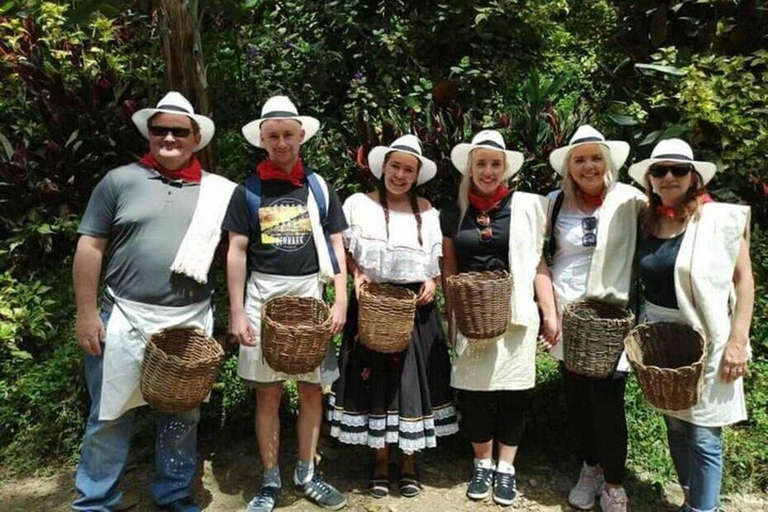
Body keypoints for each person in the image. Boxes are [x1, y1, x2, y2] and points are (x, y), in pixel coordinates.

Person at [72, 91, 236, 511]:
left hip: (189, 320)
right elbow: (90, 247)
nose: (168, 137)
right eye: (159, 129)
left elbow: (243, 251)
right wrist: (87, 313)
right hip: (122, 316)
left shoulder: (220, 192)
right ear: (148, 134)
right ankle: (95, 501)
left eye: (178, 131)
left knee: (182, 416)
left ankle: (174, 496)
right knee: (109, 416)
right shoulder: (119, 180)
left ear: (195, 137)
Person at [224, 95, 348, 512]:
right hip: (262, 299)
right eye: (273, 135)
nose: (281, 143)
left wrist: (341, 299)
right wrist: (238, 310)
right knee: (269, 394)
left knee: (313, 391)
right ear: (262, 138)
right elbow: (237, 250)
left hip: (311, 296)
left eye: (288, 134)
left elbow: (335, 245)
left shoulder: (318, 187)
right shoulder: (248, 191)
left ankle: (308, 474)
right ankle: (270, 480)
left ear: (301, 136)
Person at [328, 135, 459, 499]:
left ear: (416, 175)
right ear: (383, 167)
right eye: (395, 166)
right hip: (372, 309)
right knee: (376, 388)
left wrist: (432, 281)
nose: (400, 175)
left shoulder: (427, 210)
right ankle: (379, 463)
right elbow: (343, 249)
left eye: (408, 169)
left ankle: (409, 463)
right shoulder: (358, 205)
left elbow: (435, 260)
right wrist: (356, 273)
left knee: (411, 388)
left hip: (416, 312)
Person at [630, 139, 753, 512]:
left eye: (678, 170)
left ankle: (705, 508)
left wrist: (738, 340)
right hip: (663, 340)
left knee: (704, 434)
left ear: (693, 176)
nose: (669, 177)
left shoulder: (716, 219)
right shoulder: (648, 220)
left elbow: (744, 281)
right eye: (660, 170)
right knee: (677, 426)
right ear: (650, 179)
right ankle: (689, 498)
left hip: (708, 335)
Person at [441, 130, 558, 507]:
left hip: (517, 311)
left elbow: (539, 262)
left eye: (495, 164)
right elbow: (449, 266)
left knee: (514, 392)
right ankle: (482, 463)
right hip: (471, 314)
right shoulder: (454, 210)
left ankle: (506, 468)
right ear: (470, 168)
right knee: (473, 391)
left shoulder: (526, 208)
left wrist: (550, 311)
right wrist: (452, 313)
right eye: (481, 164)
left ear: (505, 169)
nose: (488, 171)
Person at [545, 125, 646, 512]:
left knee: (607, 399)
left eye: (595, 158)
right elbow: (537, 257)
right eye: (580, 159)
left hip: (611, 319)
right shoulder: (555, 202)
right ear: (569, 166)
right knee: (577, 398)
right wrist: (548, 313)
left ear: (608, 162)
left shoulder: (629, 201)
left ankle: (615, 482)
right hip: (568, 316)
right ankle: (589, 467)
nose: (588, 166)